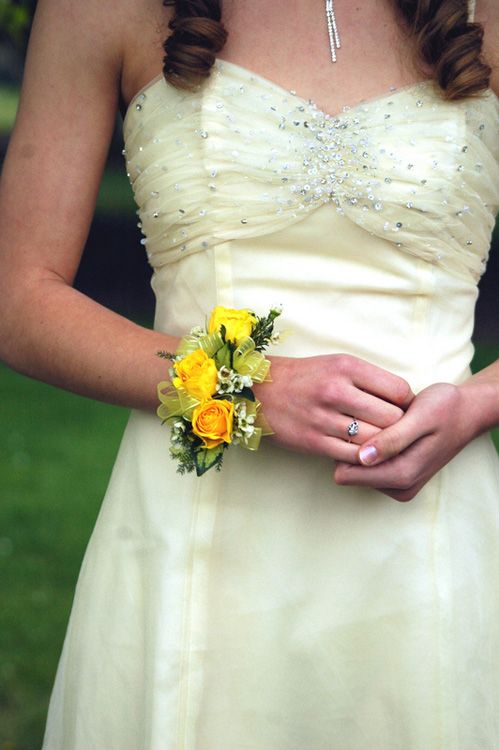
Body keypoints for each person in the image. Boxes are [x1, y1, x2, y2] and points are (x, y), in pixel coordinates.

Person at [0, 0, 498, 746]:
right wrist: (243, 389)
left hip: (422, 541)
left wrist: (479, 401)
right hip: (192, 541)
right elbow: (19, 298)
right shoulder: (102, 10)